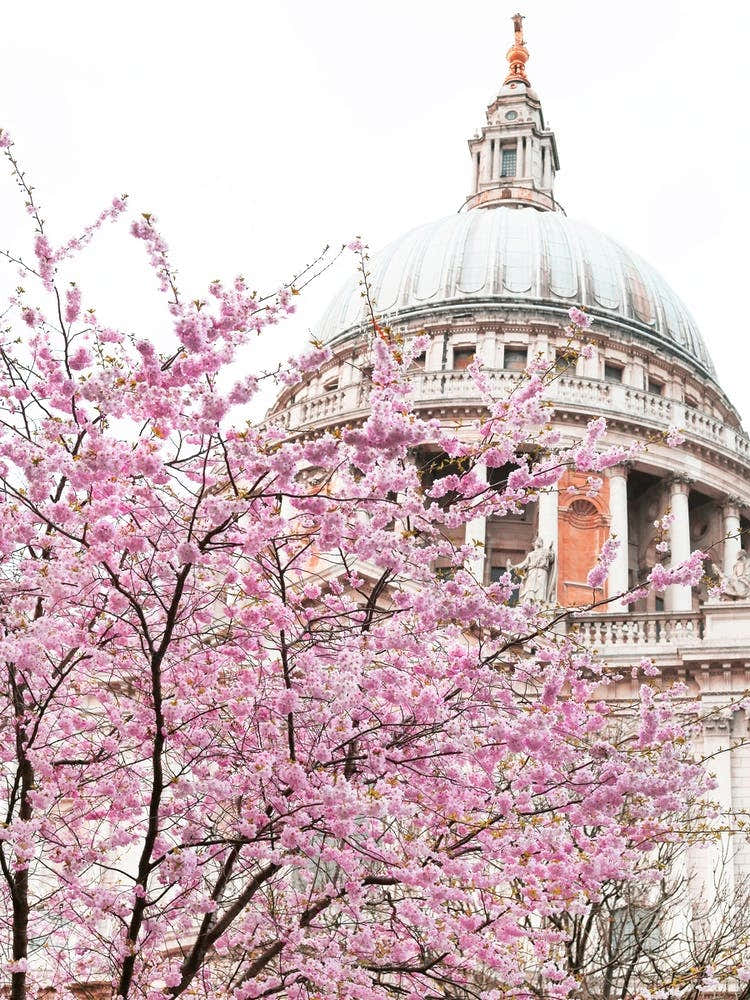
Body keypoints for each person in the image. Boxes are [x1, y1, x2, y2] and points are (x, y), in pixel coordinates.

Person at [509, 536, 555, 605]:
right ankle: (528, 602)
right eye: (538, 540)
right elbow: (524, 564)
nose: (540, 542)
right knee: (530, 587)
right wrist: (513, 566)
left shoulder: (545, 551)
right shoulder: (530, 554)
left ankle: (539, 603)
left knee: (540, 587)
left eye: (541, 541)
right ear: (533, 543)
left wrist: (551, 550)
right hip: (532, 572)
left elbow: (551, 559)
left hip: (542, 571)